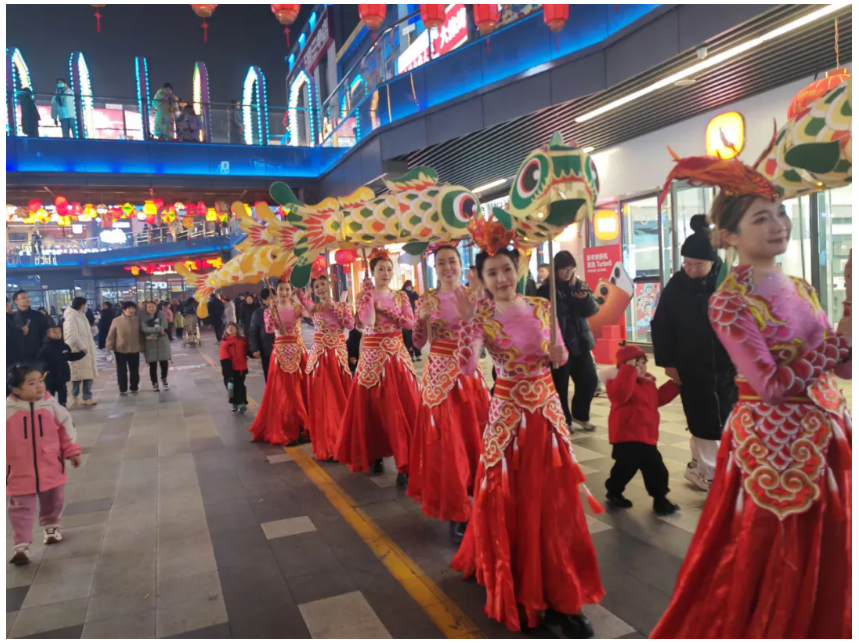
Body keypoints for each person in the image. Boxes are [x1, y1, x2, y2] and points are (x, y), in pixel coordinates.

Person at [650, 149, 851, 638]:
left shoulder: (801, 286)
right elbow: (771, 386)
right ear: (728, 236)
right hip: (775, 445)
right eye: (762, 218)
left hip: (828, 437)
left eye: (780, 212)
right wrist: (838, 344)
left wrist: (850, 303)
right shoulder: (729, 301)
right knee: (778, 560)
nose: (778, 225)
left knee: (831, 556)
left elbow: (842, 365)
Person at [450, 225, 602, 637]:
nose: (501, 278)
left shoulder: (541, 305)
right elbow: (467, 366)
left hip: (547, 415)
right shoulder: (481, 314)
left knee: (553, 500)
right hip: (508, 417)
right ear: (482, 279)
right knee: (512, 498)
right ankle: (517, 576)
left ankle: (560, 588)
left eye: (506, 269)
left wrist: (559, 353)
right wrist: (466, 323)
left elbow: (560, 355)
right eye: (492, 273)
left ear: (517, 268)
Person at [406, 245, 490, 543]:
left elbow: (484, 334)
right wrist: (420, 320)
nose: (447, 267)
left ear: (460, 263)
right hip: (438, 379)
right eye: (441, 262)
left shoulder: (472, 296)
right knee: (448, 442)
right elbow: (418, 343)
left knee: (473, 437)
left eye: (452, 261)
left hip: (468, 376)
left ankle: (477, 493)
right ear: (434, 267)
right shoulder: (427, 299)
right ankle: (457, 509)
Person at [650, 214, 736, 491]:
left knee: (725, 416)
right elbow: (661, 324)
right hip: (690, 364)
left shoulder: (727, 282)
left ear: (712, 262)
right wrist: (668, 362)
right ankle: (707, 471)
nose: (690, 269)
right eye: (686, 263)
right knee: (701, 418)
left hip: (726, 366)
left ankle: (703, 465)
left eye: (697, 264)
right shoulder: (677, 284)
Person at [336, 250, 420, 487]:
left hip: (396, 356)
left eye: (389, 269)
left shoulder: (401, 296)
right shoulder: (364, 295)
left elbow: (409, 323)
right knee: (371, 409)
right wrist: (368, 298)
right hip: (372, 357)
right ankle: (374, 454)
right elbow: (368, 321)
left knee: (400, 410)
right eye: (380, 269)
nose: (385, 273)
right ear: (372, 272)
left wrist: (385, 309)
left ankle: (406, 463)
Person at [6, 364, 82, 565]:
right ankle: (21, 545)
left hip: (50, 466)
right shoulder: (7, 412)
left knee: (53, 500)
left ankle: (51, 527)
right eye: (31, 383)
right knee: (20, 508)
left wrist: (72, 451)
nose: (39, 385)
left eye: (40, 380)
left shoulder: (52, 407)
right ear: (16, 389)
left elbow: (65, 431)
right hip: (17, 472)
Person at [603, 343, 680, 515]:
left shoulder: (647, 382)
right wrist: (628, 372)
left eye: (643, 363)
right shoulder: (616, 383)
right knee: (624, 469)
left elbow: (657, 399)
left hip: (646, 436)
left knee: (656, 469)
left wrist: (674, 386)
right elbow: (621, 395)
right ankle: (614, 490)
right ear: (623, 368)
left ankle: (660, 498)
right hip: (626, 437)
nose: (641, 368)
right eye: (635, 365)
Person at [537, 251, 599, 431]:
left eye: (571, 268)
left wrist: (585, 299)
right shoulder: (546, 289)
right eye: (565, 268)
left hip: (580, 341)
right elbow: (542, 316)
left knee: (589, 380)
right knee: (560, 385)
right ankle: (564, 419)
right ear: (556, 269)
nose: (568, 272)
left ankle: (580, 414)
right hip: (559, 343)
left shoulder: (579, 285)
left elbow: (593, 310)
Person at [248, 278, 310, 445]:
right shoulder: (270, 310)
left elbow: (310, 314)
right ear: (275, 291)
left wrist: (302, 296)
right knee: (284, 391)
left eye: (287, 289)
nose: (284, 292)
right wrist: (271, 312)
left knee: (301, 388)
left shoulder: (297, 307)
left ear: (291, 291)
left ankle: (303, 426)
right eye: (281, 289)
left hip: (298, 351)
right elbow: (269, 329)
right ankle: (286, 429)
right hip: (281, 352)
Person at [304, 275, 355, 461]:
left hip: (338, 357)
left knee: (341, 397)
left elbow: (350, 324)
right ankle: (327, 442)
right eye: (316, 286)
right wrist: (303, 288)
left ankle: (342, 440)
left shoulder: (342, 305)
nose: (320, 288)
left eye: (323, 284)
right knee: (324, 400)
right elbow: (301, 298)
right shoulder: (314, 308)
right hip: (320, 358)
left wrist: (332, 306)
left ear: (330, 285)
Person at [36, 326, 86, 407]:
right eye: (54, 332)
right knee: (49, 392)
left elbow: (69, 356)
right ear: (49, 334)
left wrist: (82, 354)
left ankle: (63, 405)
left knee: (63, 391)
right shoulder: (45, 348)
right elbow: (39, 361)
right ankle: (50, 407)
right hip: (50, 376)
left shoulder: (64, 346)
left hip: (62, 374)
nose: (57, 334)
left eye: (59, 332)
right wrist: (43, 370)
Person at [62, 297, 98, 407]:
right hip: (78, 351)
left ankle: (86, 397)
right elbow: (71, 335)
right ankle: (75, 396)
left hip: (86, 350)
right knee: (77, 376)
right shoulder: (71, 317)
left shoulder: (81, 315)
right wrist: (82, 347)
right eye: (85, 304)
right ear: (82, 305)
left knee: (87, 375)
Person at [106, 302, 142, 396]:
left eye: (133, 308)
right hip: (120, 349)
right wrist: (109, 347)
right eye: (129, 308)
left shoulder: (137, 320)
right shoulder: (116, 320)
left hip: (134, 349)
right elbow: (111, 335)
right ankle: (123, 388)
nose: (132, 310)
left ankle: (134, 387)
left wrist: (142, 346)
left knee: (134, 370)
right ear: (124, 310)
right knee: (121, 370)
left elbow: (141, 334)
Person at [219, 322, 249, 414]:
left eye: (233, 327)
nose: (230, 328)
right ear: (226, 331)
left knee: (240, 386)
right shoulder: (225, 344)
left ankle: (241, 403)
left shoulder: (243, 341)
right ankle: (235, 402)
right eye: (228, 327)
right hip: (230, 370)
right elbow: (224, 359)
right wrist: (228, 373)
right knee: (231, 387)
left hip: (241, 369)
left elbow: (248, 350)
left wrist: (254, 353)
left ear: (237, 330)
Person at [141, 301, 171, 391]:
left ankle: (164, 378)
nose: (151, 308)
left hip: (162, 342)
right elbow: (144, 329)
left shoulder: (161, 314)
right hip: (150, 343)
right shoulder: (143, 317)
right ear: (146, 308)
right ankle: (154, 382)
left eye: (153, 306)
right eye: (149, 307)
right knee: (152, 365)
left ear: (156, 307)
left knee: (164, 363)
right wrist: (158, 330)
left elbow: (164, 326)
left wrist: (153, 330)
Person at [248, 288, 275, 381]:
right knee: (270, 375)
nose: (274, 299)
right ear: (264, 301)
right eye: (271, 298)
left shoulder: (281, 310)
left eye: (275, 297)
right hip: (267, 349)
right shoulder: (258, 313)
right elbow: (253, 332)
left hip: (282, 348)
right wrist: (254, 348)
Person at [401, 280, 421, 361]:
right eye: (408, 286)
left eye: (410, 286)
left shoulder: (412, 293)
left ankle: (417, 354)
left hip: (414, 317)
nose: (409, 287)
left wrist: (413, 291)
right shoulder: (402, 293)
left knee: (416, 337)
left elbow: (417, 297)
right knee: (408, 338)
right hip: (405, 319)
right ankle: (410, 355)